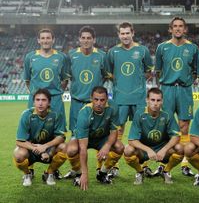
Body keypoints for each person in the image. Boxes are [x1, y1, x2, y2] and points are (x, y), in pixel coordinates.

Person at [106, 22, 154, 175]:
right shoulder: (113, 52)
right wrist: (121, 83)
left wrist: (137, 82)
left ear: (133, 33)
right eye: (122, 33)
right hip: (119, 98)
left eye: (128, 33)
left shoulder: (143, 50)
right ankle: (114, 166)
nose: (125, 36)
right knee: (117, 132)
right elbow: (109, 73)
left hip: (139, 97)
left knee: (141, 131)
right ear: (119, 35)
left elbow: (148, 71)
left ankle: (144, 164)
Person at [155, 17, 198, 176]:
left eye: (181, 26)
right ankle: (162, 162)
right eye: (175, 26)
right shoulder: (162, 47)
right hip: (167, 89)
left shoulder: (193, 48)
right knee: (164, 126)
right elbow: (158, 71)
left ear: (185, 29)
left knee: (184, 126)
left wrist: (186, 82)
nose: (178, 29)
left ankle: (185, 164)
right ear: (170, 29)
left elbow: (195, 71)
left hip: (185, 90)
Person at [64, 26, 108, 178]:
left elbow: (106, 76)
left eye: (89, 38)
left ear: (94, 40)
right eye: (83, 37)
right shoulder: (71, 55)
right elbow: (67, 77)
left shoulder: (102, 56)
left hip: (96, 104)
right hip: (77, 103)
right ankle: (77, 170)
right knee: (74, 143)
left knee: (100, 136)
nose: (86, 40)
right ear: (79, 39)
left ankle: (100, 170)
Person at [68, 86, 124, 191]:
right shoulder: (84, 113)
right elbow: (83, 147)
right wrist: (85, 173)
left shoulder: (113, 107)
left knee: (120, 147)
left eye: (102, 100)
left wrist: (107, 145)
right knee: (71, 150)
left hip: (102, 138)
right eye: (96, 99)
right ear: (91, 99)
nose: (99, 103)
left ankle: (102, 173)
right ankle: (78, 174)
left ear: (107, 99)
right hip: (84, 139)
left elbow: (114, 131)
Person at [124, 88, 184, 185]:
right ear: (147, 100)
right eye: (152, 100)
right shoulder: (140, 114)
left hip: (163, 149)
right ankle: (140, 172)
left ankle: (166, 171)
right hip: (144, 150)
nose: (155, 103)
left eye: (158, 100)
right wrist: (148, 150)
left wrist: (164, 150)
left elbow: (176, 137)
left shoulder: (167, 113)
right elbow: (132, 140)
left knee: (180, 148)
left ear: (162, 101)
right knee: (128, 150)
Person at [13, 88, 67, 186]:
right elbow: (19, 141)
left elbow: (61, 137)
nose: (40, 103)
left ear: (49, 102)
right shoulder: (26, 115)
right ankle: (27, 174)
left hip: (50, 149)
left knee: (64, 147)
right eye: (37, 100)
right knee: (18, 154)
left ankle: (49, 173)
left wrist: (45, 147)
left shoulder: (56, 115)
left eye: (43, 100)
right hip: (31, 149)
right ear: (33, 102)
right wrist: (39, 149)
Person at [23, 28, 68, 131]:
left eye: (48, 38)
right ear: (38, 40)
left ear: (53, 40)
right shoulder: (30, 57)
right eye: (42, 38)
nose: (45, 40)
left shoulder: (62, 57)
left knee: (57, 131)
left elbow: (65, 80)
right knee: (32, 130)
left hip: (55, 99)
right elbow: (27, 80)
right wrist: (36, 94)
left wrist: (57, 92)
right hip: (36, 99)